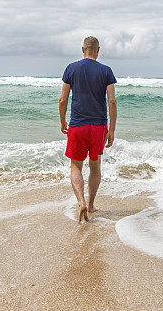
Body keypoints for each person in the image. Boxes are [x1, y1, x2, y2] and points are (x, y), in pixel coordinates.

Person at [59, 36, 117, 222]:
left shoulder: (71, 68)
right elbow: (112, 101)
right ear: (98, 50)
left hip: (78, 125)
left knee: (76, 166)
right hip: (99, 125)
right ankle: (91, 205)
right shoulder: (106, 71)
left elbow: (63, 99)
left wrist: (62, 121)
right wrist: (112, 130)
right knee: (95, 166)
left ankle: (81, 202)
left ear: (82, 49)